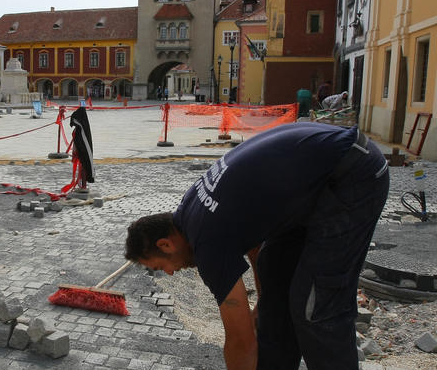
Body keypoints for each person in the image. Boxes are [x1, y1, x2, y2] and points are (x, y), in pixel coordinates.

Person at [124, 122, 389, 370]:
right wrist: (262, 300)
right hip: (315, 184)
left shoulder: (207, 244)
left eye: (161, 266)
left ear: (166, 244)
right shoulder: (192, 211)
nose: (169, 273)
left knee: (315, 304)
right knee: (274, 282)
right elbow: (252, 241)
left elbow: (241, 340)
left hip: (352, 173)